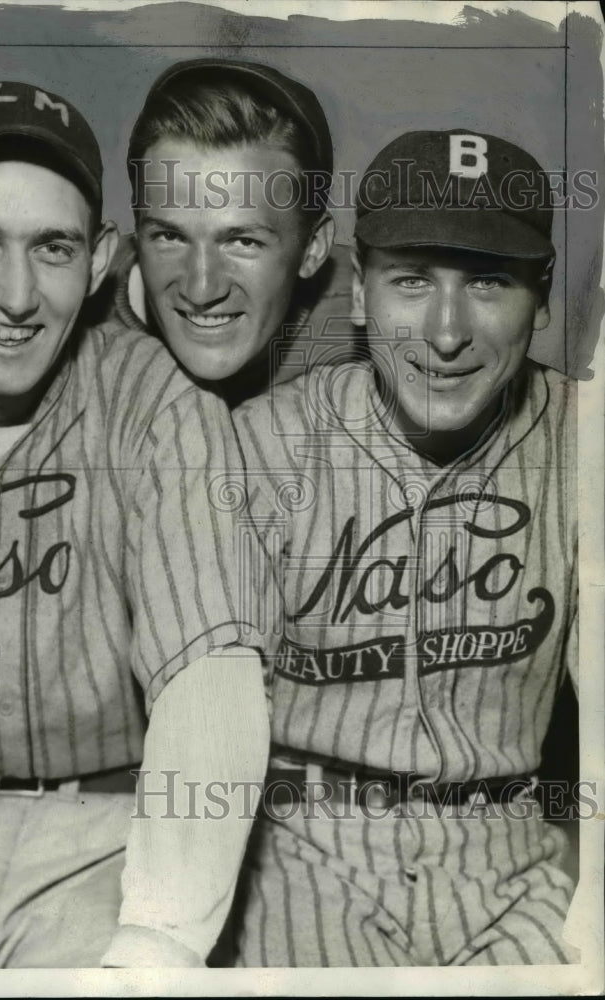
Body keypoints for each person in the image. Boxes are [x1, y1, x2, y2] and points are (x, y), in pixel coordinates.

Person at [0, 80, 269, 969]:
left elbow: (206, 682)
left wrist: (158, 940)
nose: (15, 296)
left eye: (51, 249)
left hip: (94, 841)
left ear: (97, 262)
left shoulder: (154, 404)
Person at [231, 129, 578, 966]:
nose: (447, 332)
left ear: (541, 295)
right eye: (412, 281)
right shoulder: (265, 445)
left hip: (511, 858)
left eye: (488, 283)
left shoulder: (583, 440)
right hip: (304, 851)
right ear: (359, 294)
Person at [90, 58, 353, 408]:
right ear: (136, 231)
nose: (201, 291)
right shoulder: (73, 320)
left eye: (243, 242)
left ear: (313, 248)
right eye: (170, 237)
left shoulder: (379, 319)